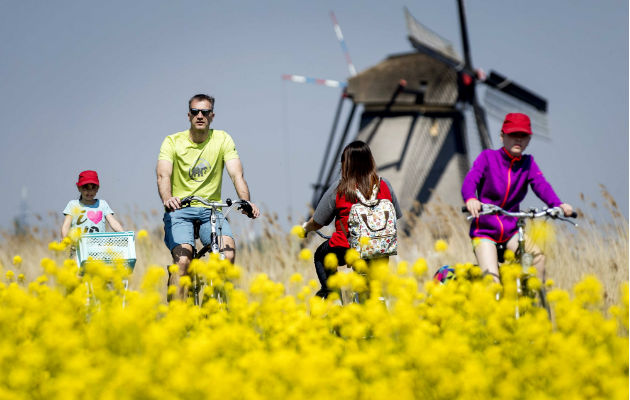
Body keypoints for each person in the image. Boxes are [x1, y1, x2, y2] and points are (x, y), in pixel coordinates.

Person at [157, 93, 260, 300]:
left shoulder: (222, 139)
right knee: (183, 262)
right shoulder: (172, 142)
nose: (200, 115)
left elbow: (236, 174)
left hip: (210, 211)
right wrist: (168, 198)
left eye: (205, 112)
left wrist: (246, 200)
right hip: (180, 210)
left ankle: (213, 306)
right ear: (189, 115)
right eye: (195, 111)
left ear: (212, 115)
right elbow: (163, 175)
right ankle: (177, 317)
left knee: (227, 254)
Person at [461, 112, 573, 282]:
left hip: (511, 232)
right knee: (492, 283)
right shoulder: (488, 158)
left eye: (523, 136)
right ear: (502, 136)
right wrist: (470, 198)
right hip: (485, 232)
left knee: (538, 259)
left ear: (529, 140)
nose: (518, 140)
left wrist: (558, 204)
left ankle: (534, 305)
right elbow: (471, 180)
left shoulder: (528, 164)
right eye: (513, 135)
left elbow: (541, 185)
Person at [302, 140, 402, 298]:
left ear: (345, 163)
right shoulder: (384, 185)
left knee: (321, 256)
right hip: (380, 249)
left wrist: (305, 228)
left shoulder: (340, 187)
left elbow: (318, 221)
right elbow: (396, 215)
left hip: (348, 247)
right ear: (370, 161)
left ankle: (333, 297)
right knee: (374, 290)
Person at [61, 170, 124, 239]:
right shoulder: (73, 205)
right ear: (79, 188)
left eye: (93, 188)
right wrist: (65, 240)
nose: (89, 192)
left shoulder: (102, 204)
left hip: (99, 245)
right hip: (79, 245)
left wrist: (124, 235)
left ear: (97, 189)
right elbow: (66, 225)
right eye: (85, 189)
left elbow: (113, 222)